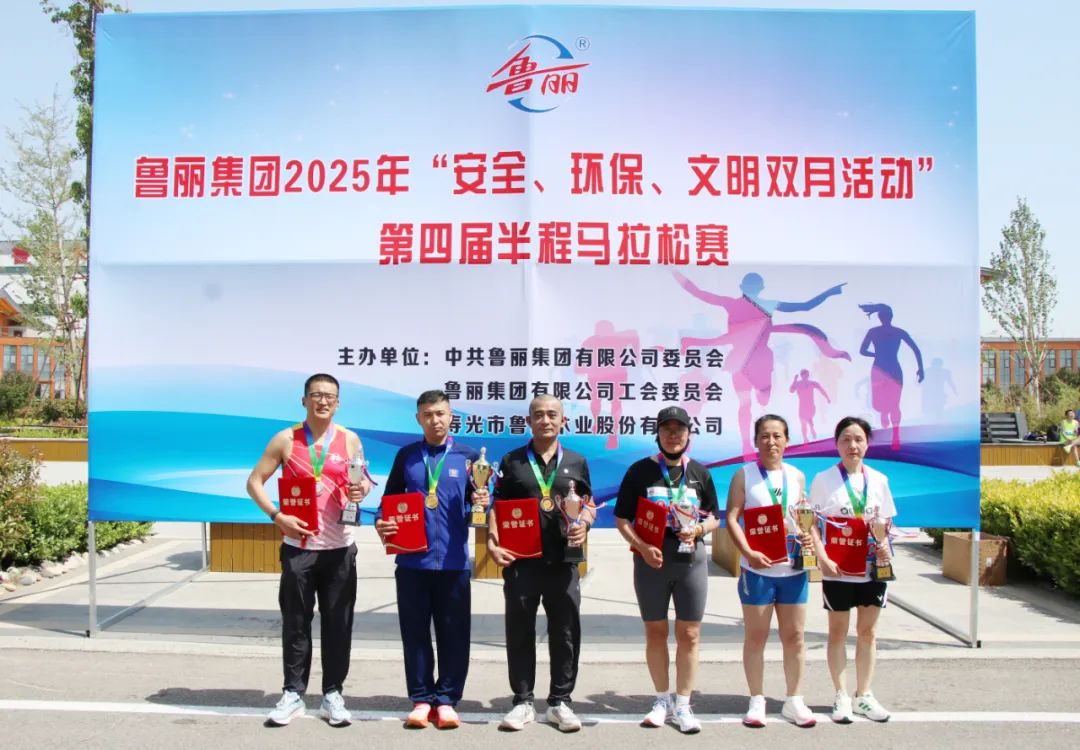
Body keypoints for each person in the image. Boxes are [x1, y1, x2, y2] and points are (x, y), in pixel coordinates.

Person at [246, 373, 370, 727]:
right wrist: (277, 515)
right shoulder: (285, 439)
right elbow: (254, 482)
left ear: (338, 403)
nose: (323, 401)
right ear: (304, 400)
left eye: (330, 396)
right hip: (298, 548)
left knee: (338, 624)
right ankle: (293, 693)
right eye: (316, 394)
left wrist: (360, 491)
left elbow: (361, 481)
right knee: (296, 624)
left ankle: (333, 694)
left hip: (339, 548)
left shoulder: (349, 439)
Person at [375, 390, 486, 730]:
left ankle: (448, 700)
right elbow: (388, 501)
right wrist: (382, 522)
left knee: (455, 634)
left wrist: (484, 501)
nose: (434, 420)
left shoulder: (469, 458)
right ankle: (422, 699)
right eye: (427, 414)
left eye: (440, 413)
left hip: (453, 563)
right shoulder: (407, 456)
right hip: (412, 564)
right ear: (418, 419)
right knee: (415, 634)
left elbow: (480, 507)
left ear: (451, 416)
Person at [486, 395, 593, 732]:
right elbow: (496, 505)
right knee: (520, 631)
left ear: (563, 421)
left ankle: (561, 701)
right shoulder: (512, 461)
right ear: (528, 421)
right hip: (522, 562)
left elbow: (588, 504)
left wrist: (584, 524)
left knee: (565, 632)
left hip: (564, 561)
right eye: (539, 415)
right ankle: (523, 701)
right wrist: (492, 542)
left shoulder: (577, 461)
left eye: (552, 415)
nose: (545, 420)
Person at [614, 405, 721, 733]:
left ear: (689, 434)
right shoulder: (639, 471)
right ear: (657, 434)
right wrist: (642, 547)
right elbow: (622, 518)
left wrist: (699, 529)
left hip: (691, 562)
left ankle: (684, 704)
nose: (673, 435)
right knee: (656, 632)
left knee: (690, 634)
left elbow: (714, 517)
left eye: (679, 429)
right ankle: (661, 700)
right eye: (667, 429)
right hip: (651, 562)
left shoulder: (700, 472)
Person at [673, 270, 850, 458]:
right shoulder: (742, 304)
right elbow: (806, 306)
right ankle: (746, 445)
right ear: (756, 288)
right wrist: (674, 271)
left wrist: (674, 271)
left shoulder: (757, 304)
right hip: (742, 360)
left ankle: (752, 440)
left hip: (757, 360)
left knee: (759, 400)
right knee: (746, 404)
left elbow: (697, 292)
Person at [725, 414, 817, 728]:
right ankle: (757, 700)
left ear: (787, 440)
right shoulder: (744, 475)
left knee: (795, 637)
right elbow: (732, 518)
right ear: (756, 441)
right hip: (758, 571)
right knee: (756, 637)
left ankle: (794, 700)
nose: (771, 442)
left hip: (793, 570)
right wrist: (748, 553)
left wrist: (808, 537)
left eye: (777, 435)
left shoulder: (797, 476)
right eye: (764, 435)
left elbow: (804, 517)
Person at [809, 416, 896, 723]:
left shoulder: (879, 480)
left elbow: (886, 522)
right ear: (836, 444)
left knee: (867, 632)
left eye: (858, 439)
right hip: (838, 569)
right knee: (837, 632)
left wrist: (884, 545)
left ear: (867, 444)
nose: (852, 445)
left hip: (872, 568)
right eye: (846, 439)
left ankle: (864, 695)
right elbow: (810, 524)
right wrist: (822, 558)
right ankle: (841, 695)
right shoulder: (823, 480)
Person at [858, 303, 924, 450]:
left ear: (880, 317)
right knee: (888, 404)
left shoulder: (875, 332)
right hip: (889, 369)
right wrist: (921, 368)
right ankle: (892, 432)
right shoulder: (897, 332)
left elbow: (863, 351)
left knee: (890, 404)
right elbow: (916, 350)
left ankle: (894, 434)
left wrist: (876, 354)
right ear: (890, 317)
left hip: (882, 368)